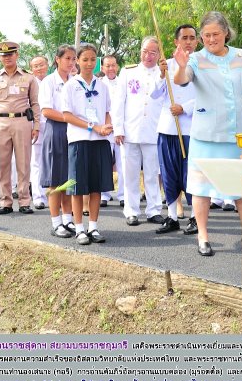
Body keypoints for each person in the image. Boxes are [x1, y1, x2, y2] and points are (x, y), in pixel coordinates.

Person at [173, 11, 242, 256]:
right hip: (206, 136)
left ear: (226, 33)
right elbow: (182, 80)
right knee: (201, 189)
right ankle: (202, 236)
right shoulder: (195, 59)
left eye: (216, 34)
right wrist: (181, 66)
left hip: (238, 136)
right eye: (206, 35)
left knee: (241, 189)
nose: (211, 39)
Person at [62, 44, 114, 245]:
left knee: (96, 185)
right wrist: (93, 126)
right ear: (77, 61)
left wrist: (107, 125)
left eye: (93, 59)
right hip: (79, 140)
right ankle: (79, 228)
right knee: (78, 186)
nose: (89, 63)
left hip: (100, 141)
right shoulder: (71, 85)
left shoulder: (102, 86)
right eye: (85, 59)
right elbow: (67, 115)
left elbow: (107, 111)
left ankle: (93, 226)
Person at [112, 36, 165, 227]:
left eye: (153, 52)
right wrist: (118, 128)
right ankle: (132, 211)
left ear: (159, 54)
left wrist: (163, 76)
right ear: (140, 51)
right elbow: (118, 102)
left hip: (153, 130)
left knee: (152, 173)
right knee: (130, 174)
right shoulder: (128, 72)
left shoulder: (163, 73)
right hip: (130, 131)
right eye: (145, 51)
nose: (148, 56)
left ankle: (153, 210)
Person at [0, 41, 40, 215]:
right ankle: (6, 201)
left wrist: (36, 125)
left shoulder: (29, 77)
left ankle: (24, 201)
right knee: (3, 164)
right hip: (1, 123)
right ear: (0, 57)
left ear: (17, 55)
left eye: (10, 54)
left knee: (24, 163)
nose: (7, 58)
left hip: (22, 122)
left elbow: (35, 103)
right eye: (3, 55)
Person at [152, 24, 199, 235]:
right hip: (168, 127)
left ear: (197, 41)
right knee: (168, 173)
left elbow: (207, 97)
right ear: (176, 42)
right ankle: (171, 216)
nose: (188, 41)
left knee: (191, 174)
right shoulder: (166, 65)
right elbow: (153, 95)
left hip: (192, 128)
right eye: (184, 38)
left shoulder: (202, 65)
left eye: (192, 37)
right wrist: (161, 76)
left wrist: (185, 108)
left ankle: (194, 216)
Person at [39, 45, 76, 237]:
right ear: (57, 59)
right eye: (67, 58)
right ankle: (56, 223)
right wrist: (69, 118)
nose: (71, 62)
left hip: (73, 131)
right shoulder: (48, 82)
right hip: (55, 129)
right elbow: (46, 111)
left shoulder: (75, 81)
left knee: (68, 179)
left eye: (73, 59)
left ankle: (68, 220)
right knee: (55, 179)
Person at [99, 54, 125, 208]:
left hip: (121, 129)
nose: (111, 68)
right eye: (107, 65)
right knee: (105, 163)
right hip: (104, 129)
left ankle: (123, 195)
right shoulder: (98, 84)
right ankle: (104, 194)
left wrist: (119, 128)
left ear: (117, 66)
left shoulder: (124, 82)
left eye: (113, 65)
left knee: (123, 164)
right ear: (102, 67)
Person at [29, 55, 49, 209]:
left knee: (55, 162)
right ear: (31, 69)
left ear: (47, 65)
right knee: (36, 163)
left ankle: (56, 196)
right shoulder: (28, 83)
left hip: (55, 125)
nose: (39, 68)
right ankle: (38, 196)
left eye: (41, 65)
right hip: (36, 127)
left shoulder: (54, 81)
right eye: (35, 66)